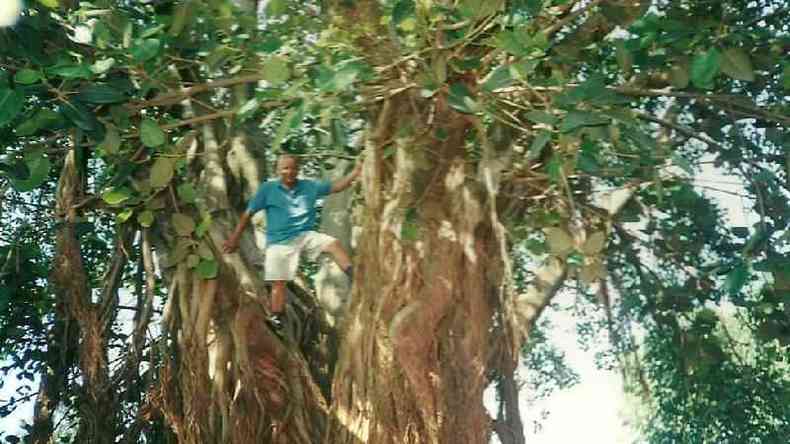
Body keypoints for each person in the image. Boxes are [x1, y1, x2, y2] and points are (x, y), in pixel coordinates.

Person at [223, 154, 361, 324]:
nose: (289, 172)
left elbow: (336, 187)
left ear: (298, 169)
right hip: (279, 242)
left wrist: (357, 171)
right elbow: (248, 214)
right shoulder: (268, 189)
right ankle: (277, 316)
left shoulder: (309, 186)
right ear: (278, 170)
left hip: (305, 235)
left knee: (333, 244)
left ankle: (355, 276)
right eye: (285, 168)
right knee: (278, 282)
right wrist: (234, 239)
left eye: (293, 168)